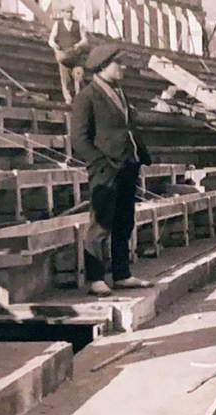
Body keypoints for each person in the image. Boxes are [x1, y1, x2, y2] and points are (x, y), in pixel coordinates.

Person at [71, 45, 153, 296]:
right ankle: (96, 278)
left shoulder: (120, 93)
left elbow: (128, 127)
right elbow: (78, 138)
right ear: (103, 66)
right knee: (101, 223)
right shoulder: (87, 96)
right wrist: (100, 162)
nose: (123, 67)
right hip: (106, 167)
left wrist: (140, 154)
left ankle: (121, 274)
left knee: (124, 221)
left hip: (128, 163)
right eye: (119, 63)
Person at [48, 5, 88, 105]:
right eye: (67, 12)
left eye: (70, 12)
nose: (69, 14)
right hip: (64, 55)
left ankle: (78, 98)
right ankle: (68, 98)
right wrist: (55, 46)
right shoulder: (58, 24)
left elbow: (85, 40)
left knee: (78, 76)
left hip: (76, 56)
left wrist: (79, 44)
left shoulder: (78, 25)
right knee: (65, 79)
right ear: (63, 13)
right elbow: (51, 39)